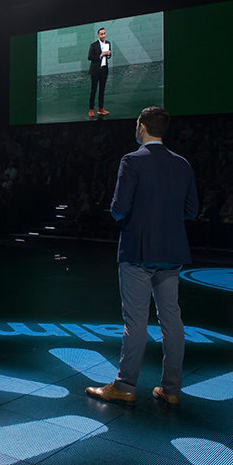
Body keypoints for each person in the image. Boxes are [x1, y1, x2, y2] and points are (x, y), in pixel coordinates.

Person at [86, 106, 197, 408]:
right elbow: (192, 210)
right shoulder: (183, 164)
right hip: (172, 252)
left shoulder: (131, 161)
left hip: (137, 251)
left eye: (137, 125)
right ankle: (172, 389)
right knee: (171, 320)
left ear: (142, 127)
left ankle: (124, 386)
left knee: (135, 322)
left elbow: (119, 208)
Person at [88, 27, 112, 118]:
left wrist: (109, 54)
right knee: (93, 90)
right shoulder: (93, 45)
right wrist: (100, 55)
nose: (103, 35)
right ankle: (91, 109)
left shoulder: (108, 43)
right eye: (101, 34)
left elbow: (109, 56)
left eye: (104, 33)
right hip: (95, 70)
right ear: (98, 35)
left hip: (104, 69)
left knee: (102, 90)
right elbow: (89, 57)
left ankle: (100, 108)